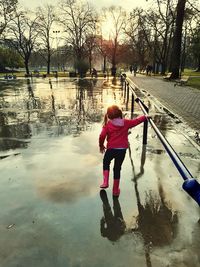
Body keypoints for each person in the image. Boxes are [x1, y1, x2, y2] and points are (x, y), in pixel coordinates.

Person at [99, 105, 148, 196]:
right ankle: (115, 190)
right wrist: (145, 117)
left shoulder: (108, 125)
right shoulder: (126, 122)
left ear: (108, 115)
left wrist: (101, 145)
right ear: (120, 113)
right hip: (121, 150)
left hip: (111, 149)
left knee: (106, 162)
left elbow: (102, 136)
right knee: (117, 168)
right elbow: (136, 121)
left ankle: (105, 182)